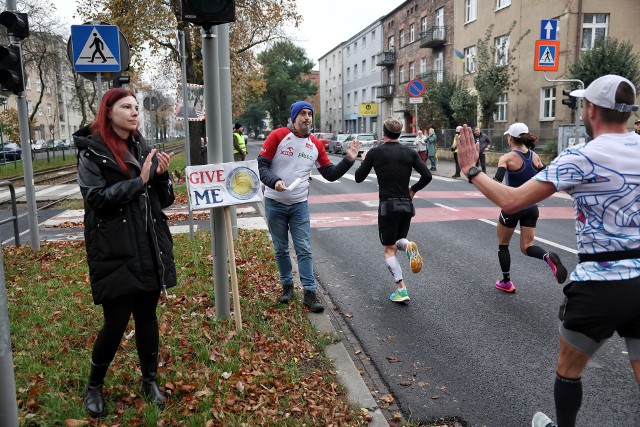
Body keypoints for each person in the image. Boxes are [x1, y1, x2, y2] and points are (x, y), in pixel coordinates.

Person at [455, 75, 640, 427]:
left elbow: (511, 199)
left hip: (600, 283)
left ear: (590, 110)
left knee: (569, 370)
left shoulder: (581, 157)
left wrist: (471, 170)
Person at [74, 88, 177, 418]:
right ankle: (93, 385)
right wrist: (139, 181)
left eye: (136, 107)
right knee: (115, 322)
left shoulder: (141, 147)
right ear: (109, 111)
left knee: (147, 317)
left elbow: (164, 199)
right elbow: (95, 198)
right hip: (114, 249)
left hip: (147, 244)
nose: (135, 113)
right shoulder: (92, 153)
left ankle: (149, 381)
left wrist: (160, 178)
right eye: (127, 107)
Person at [258, 101, 361, 313]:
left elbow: (329, 174)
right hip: (274, 202)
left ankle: (310, 292)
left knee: (304, 248)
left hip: (299, 205)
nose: (307, 118)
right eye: (303, 114)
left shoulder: (315, 144)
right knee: (280, 248)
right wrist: (275, 181)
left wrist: (349, 160)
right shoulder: (278, 136)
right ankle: (287, 287)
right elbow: (262, 166)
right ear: (294, 117)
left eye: (310, 114)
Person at [354, 118, 432, 303]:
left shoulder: (375, 152)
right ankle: (407, 246)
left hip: (387, 206)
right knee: (398, 241)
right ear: (400, 133)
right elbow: (427, 175)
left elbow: (358, 177)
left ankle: (401, 289)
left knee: (388, 249)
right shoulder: (410, 152)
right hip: (406, 205)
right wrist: (413, 189)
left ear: (384, 133)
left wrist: (365, 160)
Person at [492, 122, 567, 293]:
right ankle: (547, 257)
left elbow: (497, 181)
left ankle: (506, 282)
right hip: (531, 207)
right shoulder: (535, 157)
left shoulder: (506, 158)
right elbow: (547, 176)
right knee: (527, 246)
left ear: (510, 138)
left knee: (503, 244)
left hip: (512, 206)